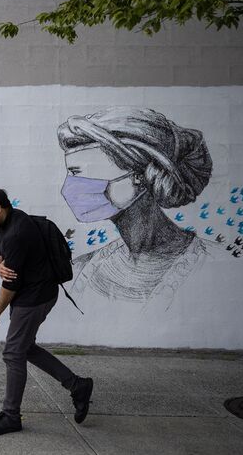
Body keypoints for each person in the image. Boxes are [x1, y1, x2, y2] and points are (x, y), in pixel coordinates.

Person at [57, 107, 213, 306]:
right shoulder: (81, 270)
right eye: (70, 174)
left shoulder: (211, 263)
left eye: (79, 172)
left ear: (139, 176)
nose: (69, 187)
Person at [0, 185, 93, 435]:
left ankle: (10, 416)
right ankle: (77, 385)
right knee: (25, 348)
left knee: (13, 353)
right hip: (35, 293)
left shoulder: (18, 232)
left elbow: (11, 284)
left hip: (34, 297)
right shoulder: (4, 222)